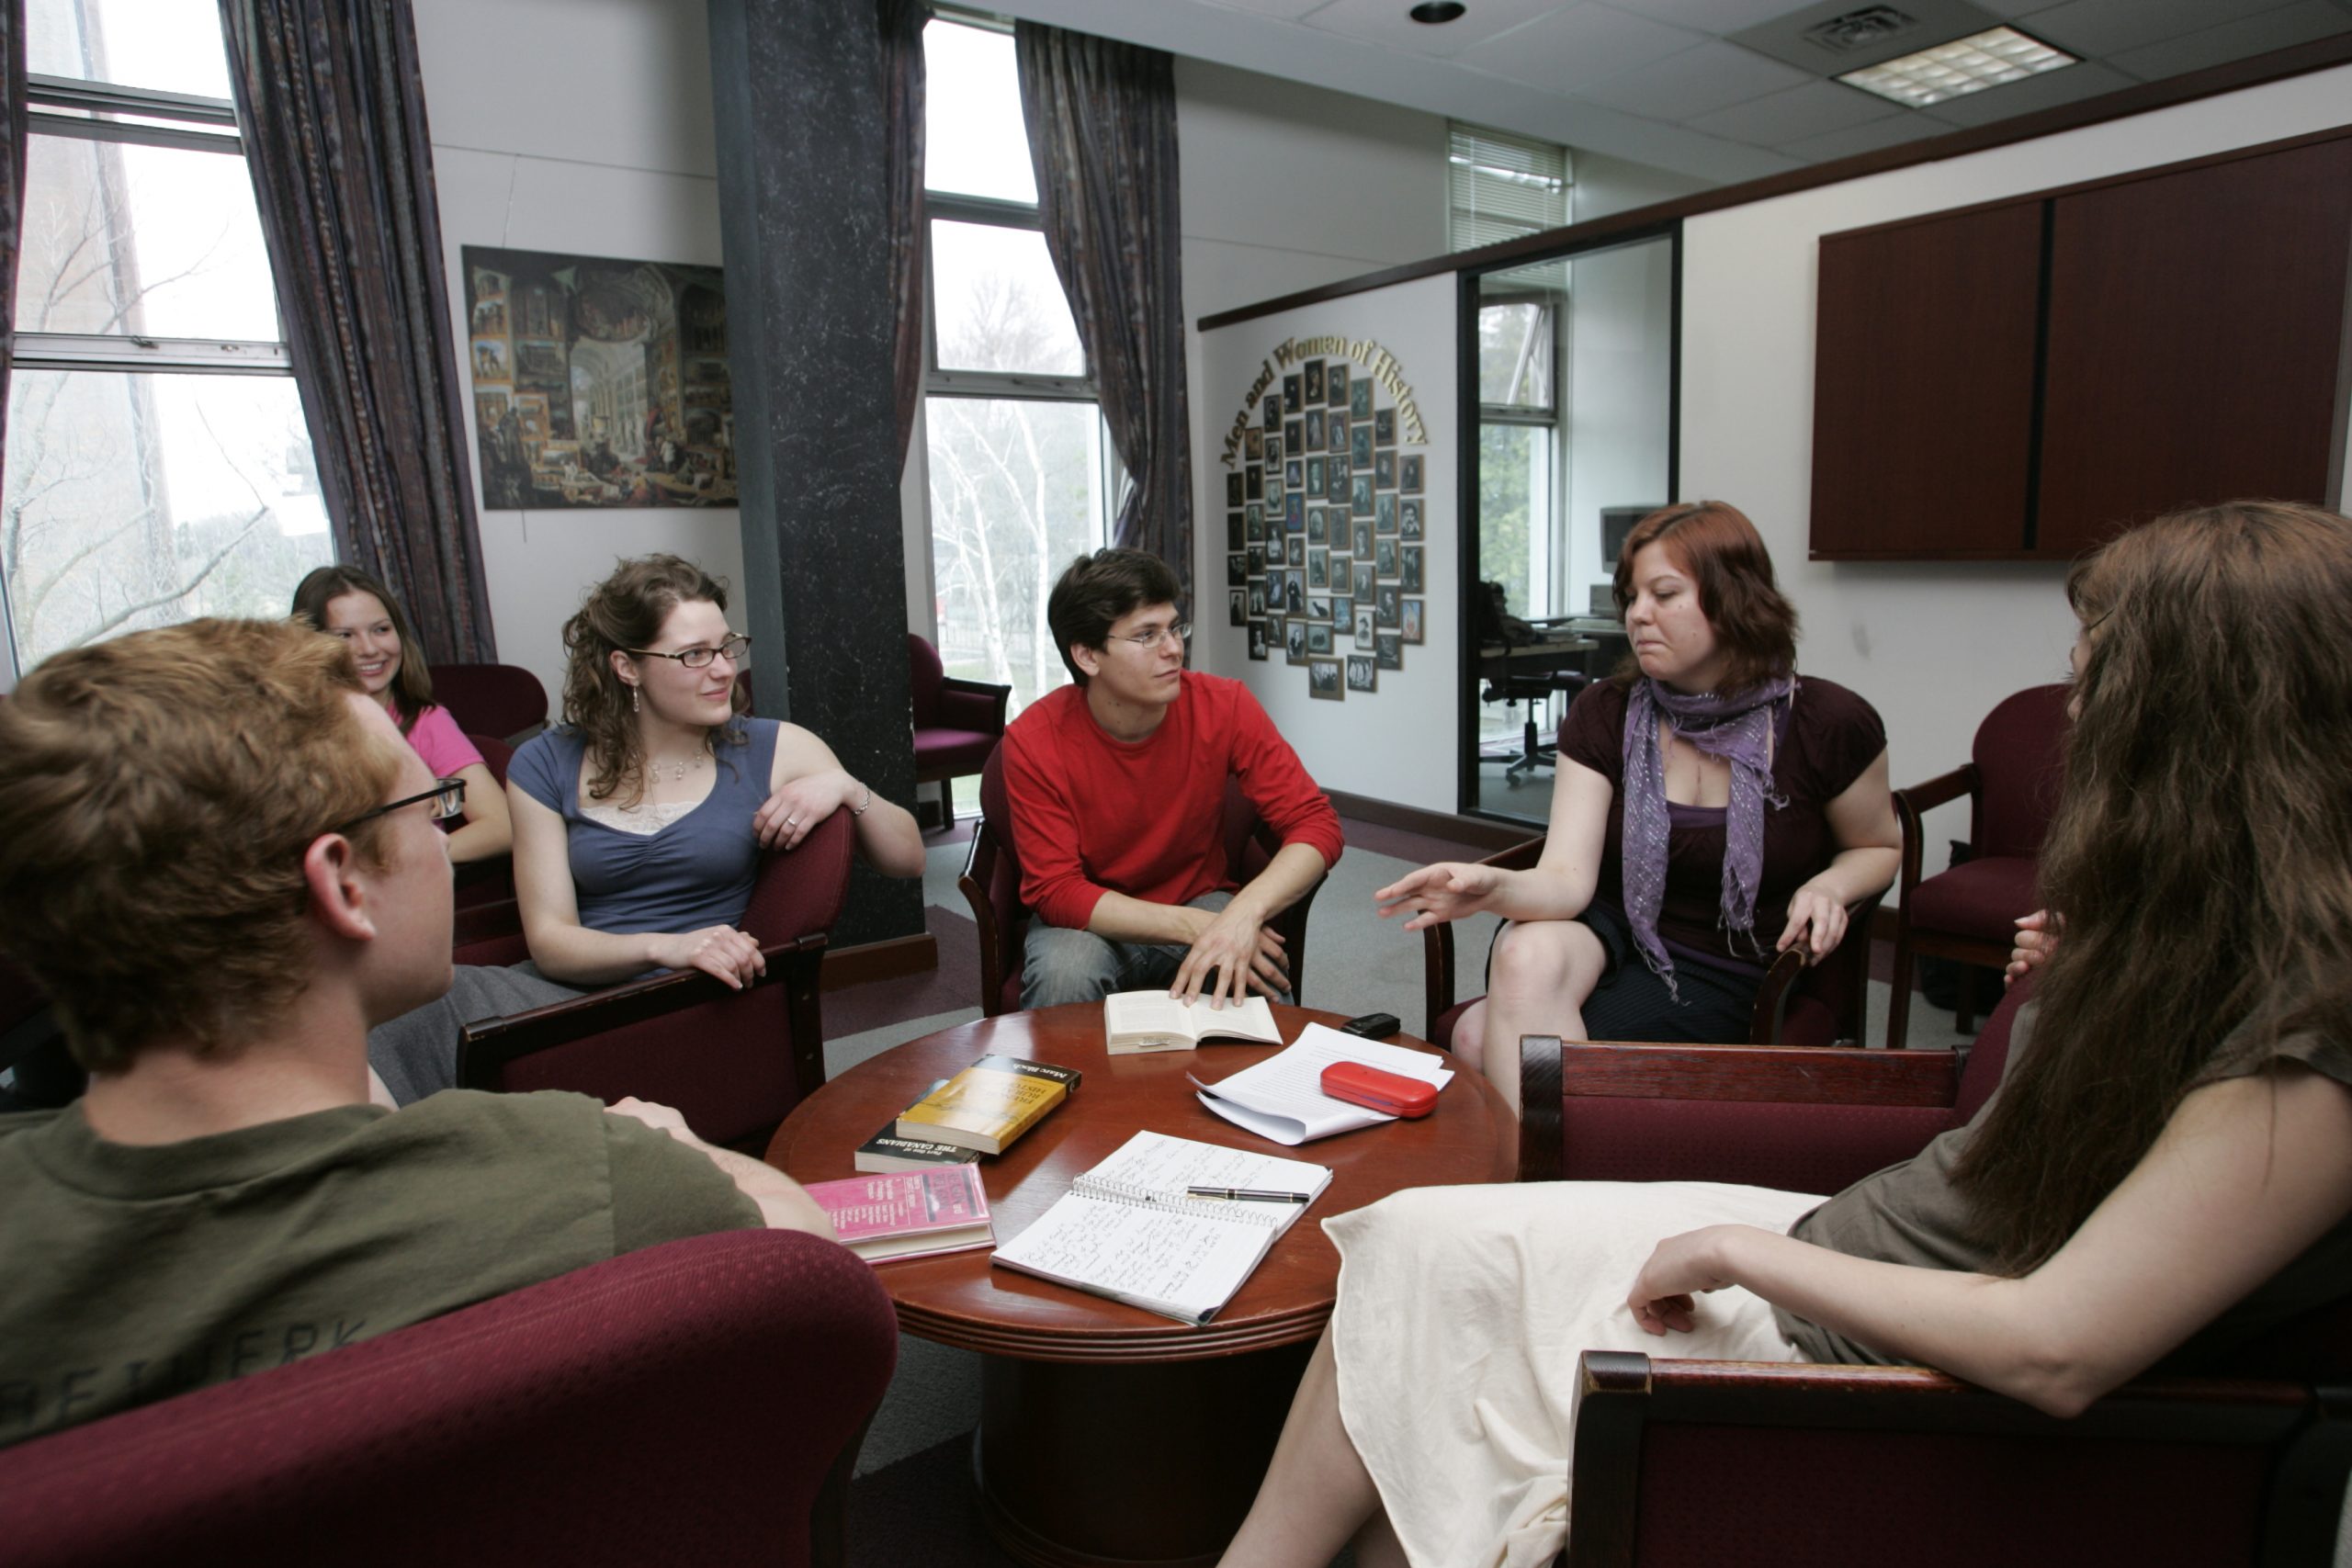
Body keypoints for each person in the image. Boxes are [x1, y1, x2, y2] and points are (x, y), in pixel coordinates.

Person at [1216, 500, 2352, 1568]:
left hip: (1858, 1333)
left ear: (2202, 721)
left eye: (2092, 670)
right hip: (1851, 1242)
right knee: (1415, 1238)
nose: (2071, 707)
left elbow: (2057, 1350)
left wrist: (1733, 1251)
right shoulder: (2214, 933)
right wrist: (2082, 978)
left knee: (1426, 1294)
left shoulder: (2313, 1036)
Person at [0, 618, 836, 1450]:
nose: (445, 845)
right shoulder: (579, 1169)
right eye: (431, 808)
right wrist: (679, 1148)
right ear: (342, 886)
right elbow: (822, 1283)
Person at [1377, 502, 1899, 1114]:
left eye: (1663, 593)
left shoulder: (1827, 723)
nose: (1636, 615)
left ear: (1735, 597)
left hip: (1730, 963)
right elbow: (1567, 881)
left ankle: (1547, 1186)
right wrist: (1492, 885)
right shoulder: (1607, 711)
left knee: (1473, 1035)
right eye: (1632, 597)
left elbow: (1879, 846)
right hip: (1616, 930)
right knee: (1523, 949)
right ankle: (1547, 1190)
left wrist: (1834, 884)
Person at [366, 554, 924, 1105]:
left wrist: (848, 787)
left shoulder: (775, 747)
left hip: (680, 1005)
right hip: (566, 990)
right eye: (694, 655)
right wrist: (670, 945)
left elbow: (908, 858)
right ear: (627, 667)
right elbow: (552, 943)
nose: (725, 669)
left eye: (728, 647)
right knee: (383, 1009)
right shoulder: (544, 763)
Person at [1005, 547, 1342, 1010]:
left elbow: (1315, 824)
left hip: (1200, 897)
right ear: (1087, 655)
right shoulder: (1033, 739)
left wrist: (1243, 912)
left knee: (1261, 982)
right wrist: (1200, 926)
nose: (1174, 648)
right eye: (1147, 636)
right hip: (1091, 917)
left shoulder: (1225, 705)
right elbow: (1057, 890)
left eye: (1174, 628)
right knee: (1063, 977)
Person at [291, 566, 512, 865]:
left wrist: (403, 865)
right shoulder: (290, 731)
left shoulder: (426, 721)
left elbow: (502, 827)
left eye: (381, 629)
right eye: (345, 636)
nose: (369, 649)